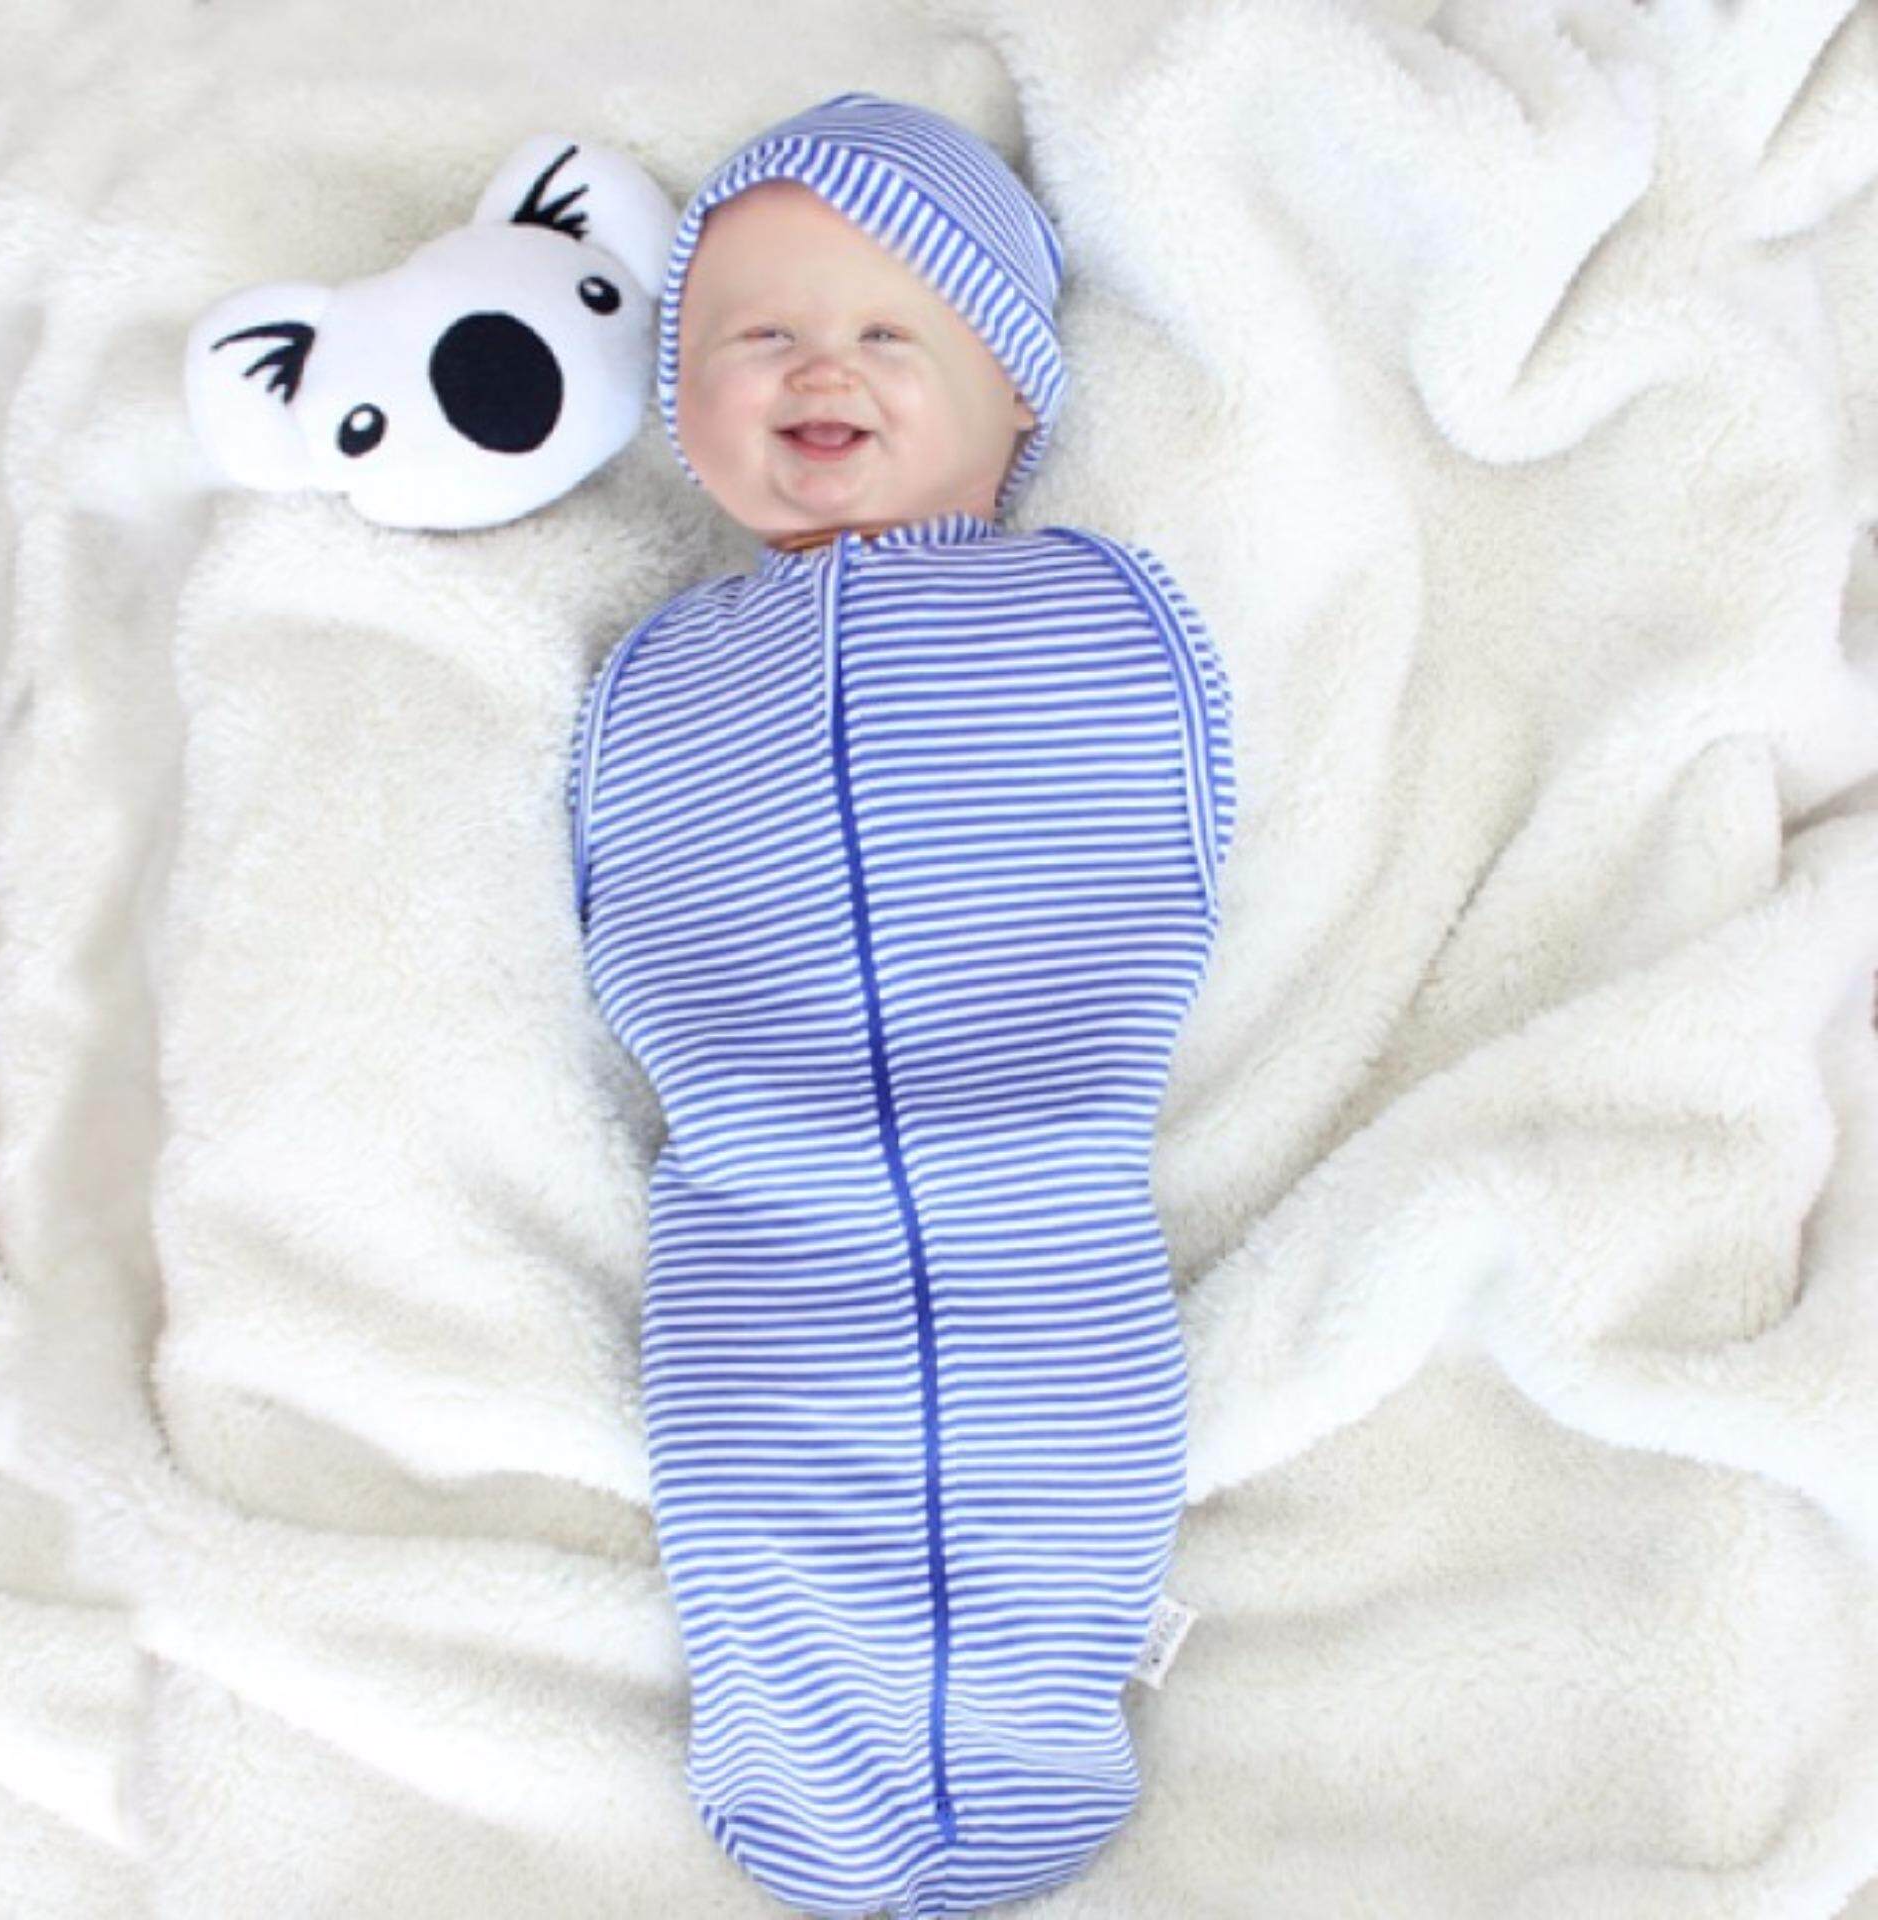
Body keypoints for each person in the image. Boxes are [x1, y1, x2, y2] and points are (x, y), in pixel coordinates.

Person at [565, 90, 1239, 1920]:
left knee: (1058, 1528)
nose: (817, 368)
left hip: (1051, 1233)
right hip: (750, 1245)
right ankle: (795, 1809)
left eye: (888, 330)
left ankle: (1034, 1794)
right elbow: (628, 937)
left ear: (1017, 393)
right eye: (753, 336)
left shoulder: (1095, 613)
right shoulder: (655, 674)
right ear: (680, 406)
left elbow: (1163, 873)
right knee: (757, 1533)